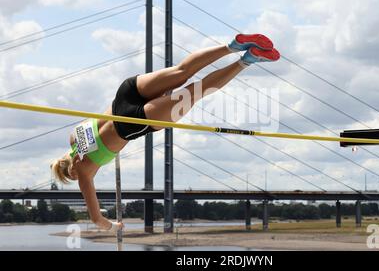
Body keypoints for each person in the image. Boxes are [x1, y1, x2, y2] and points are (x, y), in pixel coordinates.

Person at [50, 34, 280, 231]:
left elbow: (96, 219)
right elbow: (89, 144)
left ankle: (247, 60)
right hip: (126, 95)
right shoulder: (74, 137)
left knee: (197, 90)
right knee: (183, 71)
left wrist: (114, 226)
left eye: (71, 177)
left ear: (69, 173)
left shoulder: (84, 172)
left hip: (136, 122)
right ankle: (232, 45)